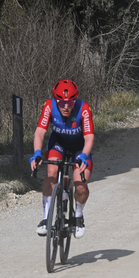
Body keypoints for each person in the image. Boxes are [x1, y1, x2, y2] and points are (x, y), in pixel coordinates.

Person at [31, 79, 93, 239]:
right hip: (58, 143)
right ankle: (46, 218)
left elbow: (89, 137)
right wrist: (37, 153)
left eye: (71, 102)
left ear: (75, 100)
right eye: (62, 102)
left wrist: (84, 156)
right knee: (51, 172)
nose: (66, 106)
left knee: (81, 187)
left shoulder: (84, 108)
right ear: (56, 100)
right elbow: (39, 132)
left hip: (80, 147)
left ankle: (78, 215)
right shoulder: (49, 106)